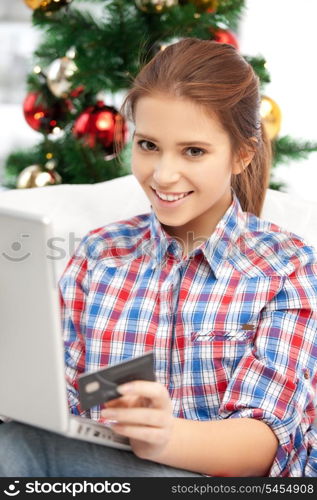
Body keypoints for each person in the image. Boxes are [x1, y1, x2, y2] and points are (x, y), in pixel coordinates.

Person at [1, 38, 317, 478]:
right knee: (14, 444)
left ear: (242, 154)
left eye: (193, 151)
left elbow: (264, 444)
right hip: (99, 468)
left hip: (213, 480)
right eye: (149, 145)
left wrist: (167, 436)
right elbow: (67, 396)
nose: (163, 174)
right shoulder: (100, 254)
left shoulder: (287, 267)